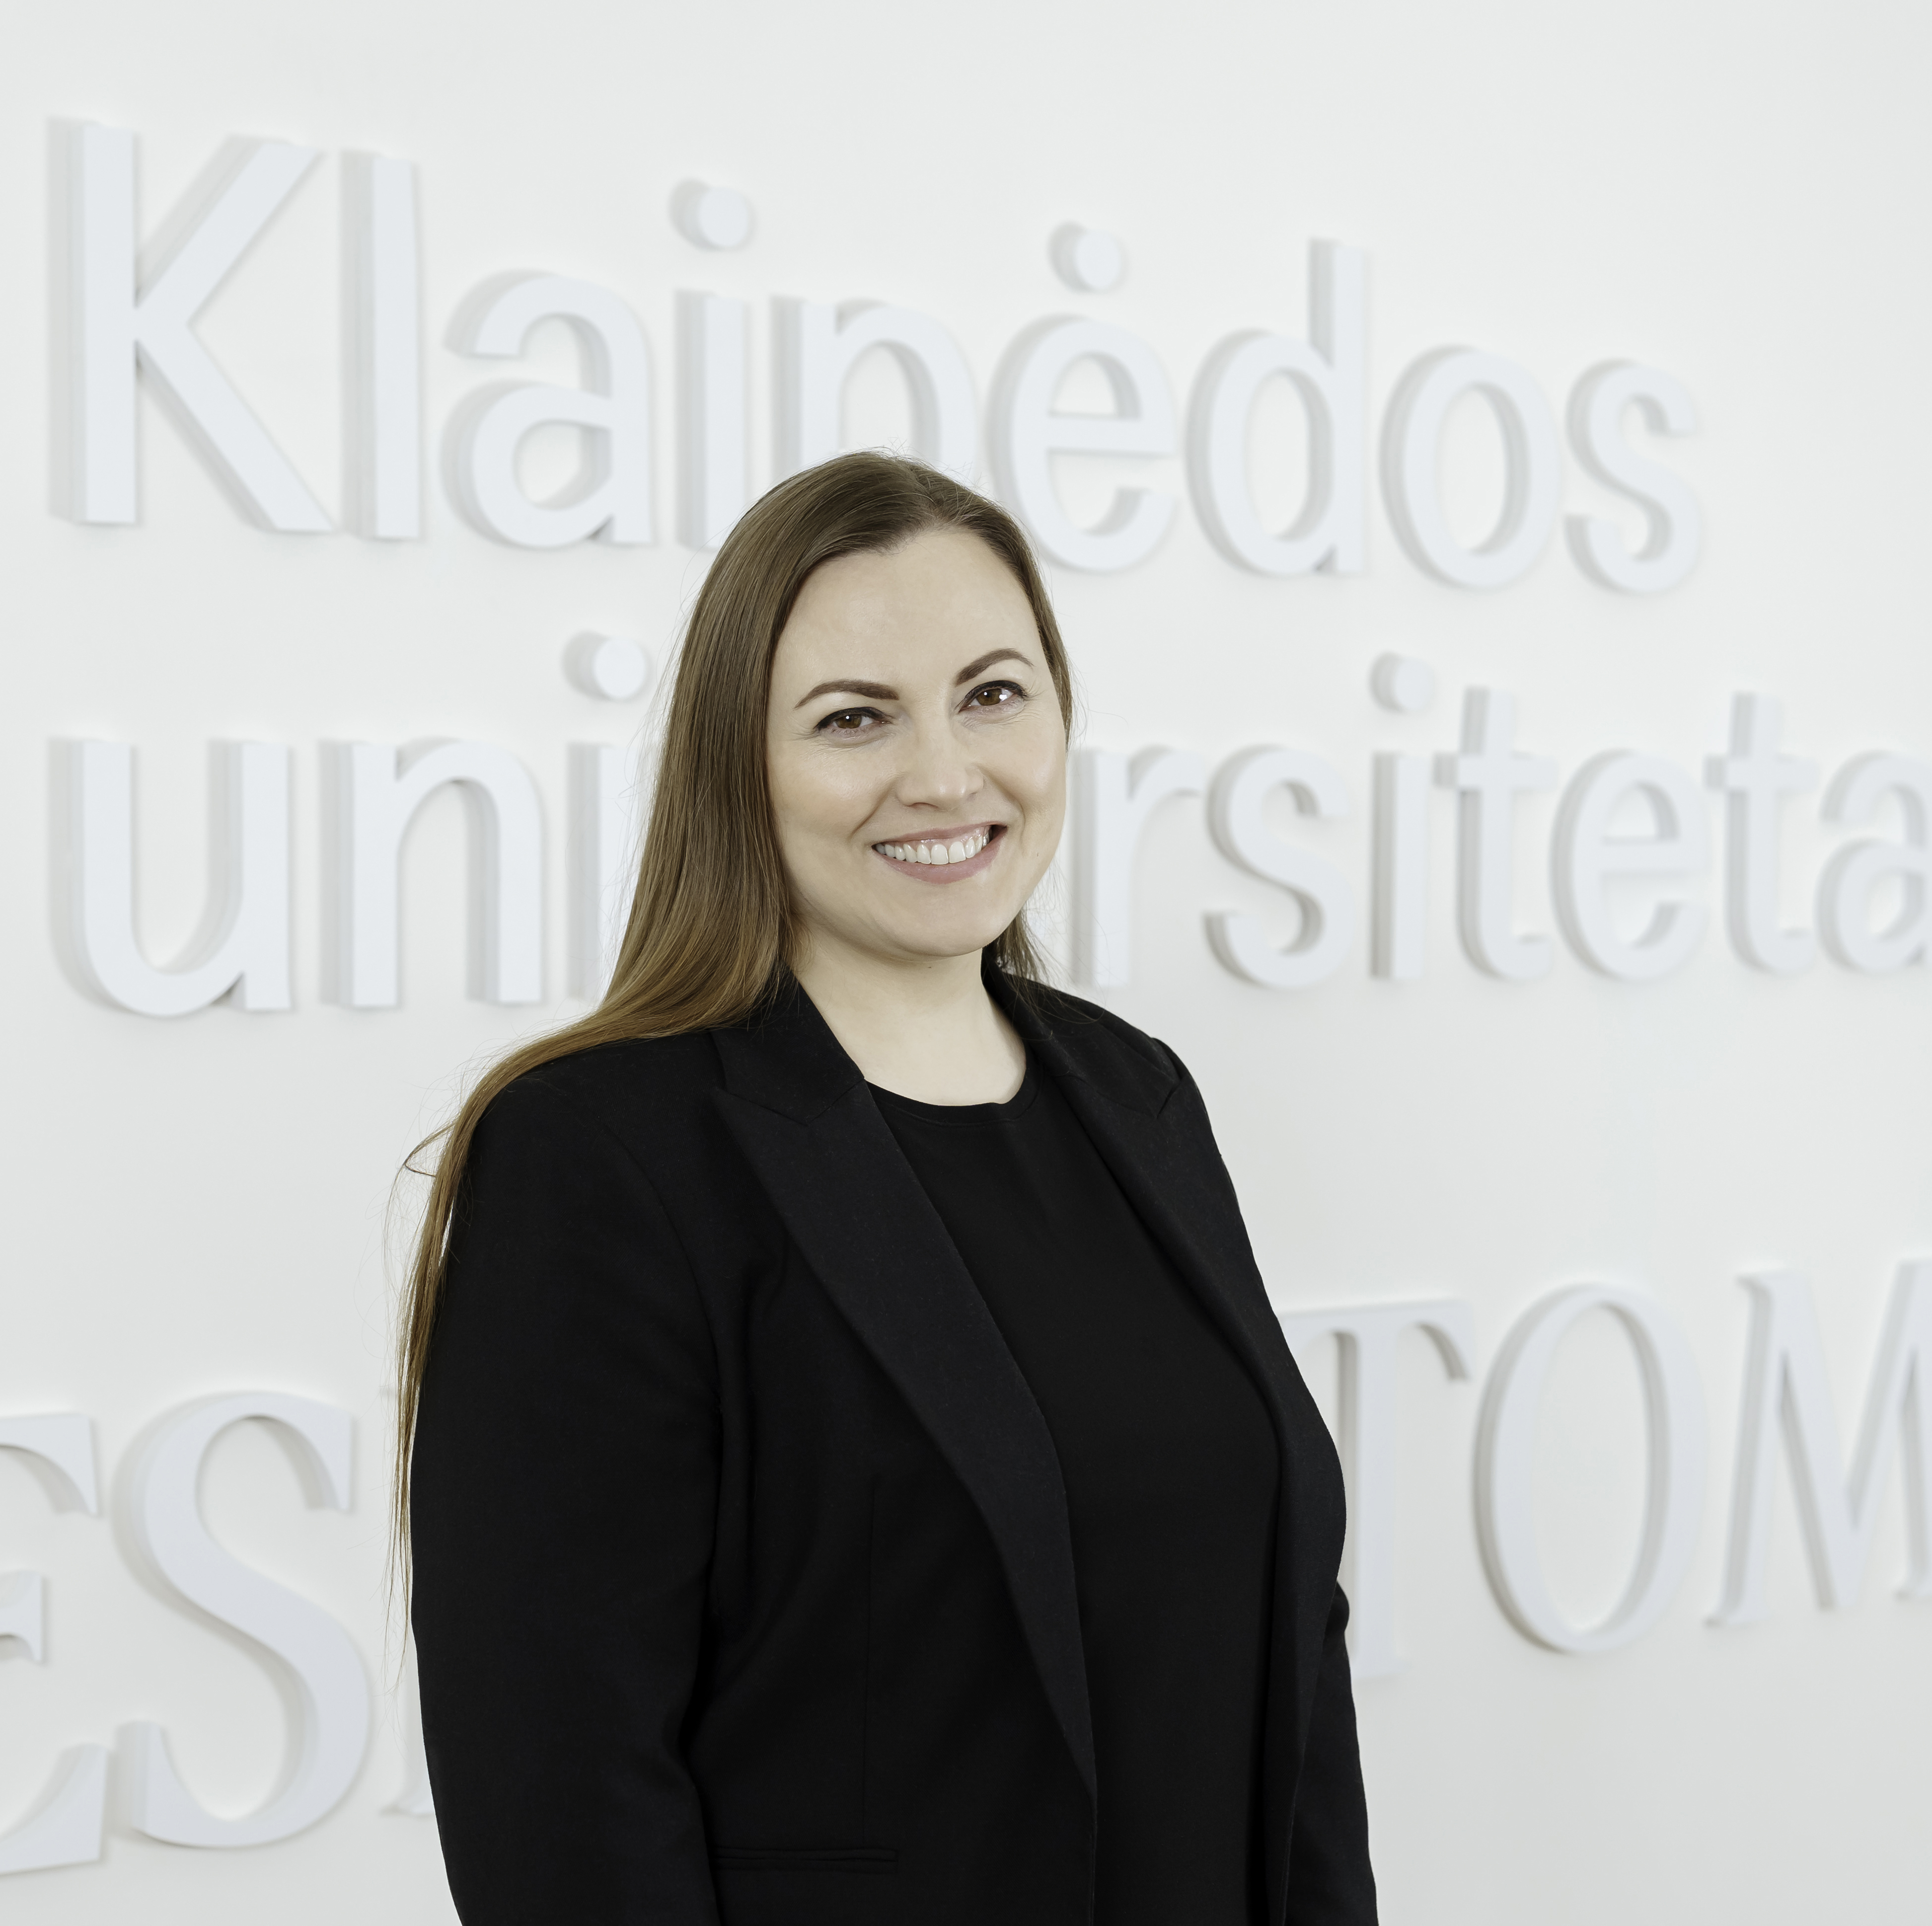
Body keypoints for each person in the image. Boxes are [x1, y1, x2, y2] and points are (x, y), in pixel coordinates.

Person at [399, 451, 1374, 1926]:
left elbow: (1290, 1658)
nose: (945, 775)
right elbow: (563, 1798)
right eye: (855, 718)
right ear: (740, 762)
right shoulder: (600, 1155)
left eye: (994, 695)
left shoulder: (1138, 1095)